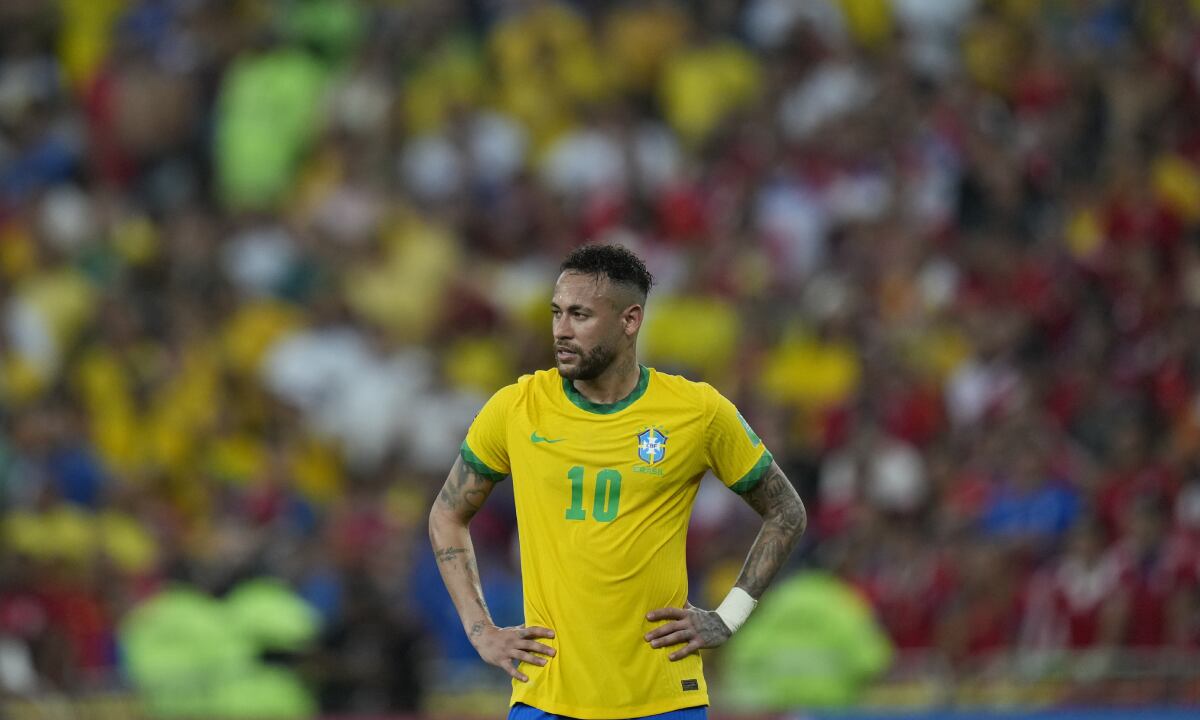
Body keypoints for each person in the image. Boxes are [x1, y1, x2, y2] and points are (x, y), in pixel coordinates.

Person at [428, 244, 807, 720]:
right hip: (547, 696)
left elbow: (786, 511)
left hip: (663, 696)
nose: (561, 331)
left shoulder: (696, 412)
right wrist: (481, 629)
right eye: (556, 313)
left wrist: (728, 616)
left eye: (580, 315)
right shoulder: (516, 408)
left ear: (630, 321)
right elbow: (447, 513)